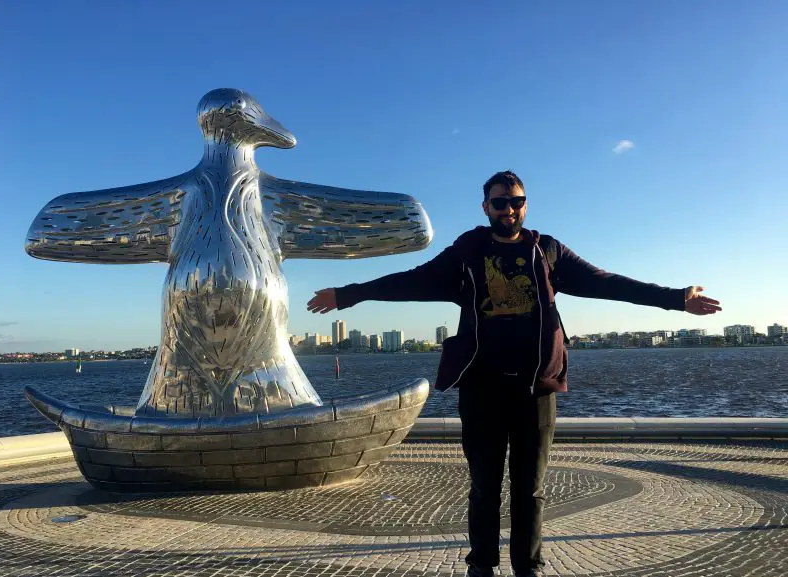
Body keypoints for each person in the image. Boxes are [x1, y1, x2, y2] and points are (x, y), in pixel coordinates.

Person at [306, 170, 721, 577]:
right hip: (482, 387)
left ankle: (529, 567)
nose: (509, 209)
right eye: (500, 202)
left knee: (531, 489)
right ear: (486, 206)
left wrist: (675, 299)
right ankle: (481, 566)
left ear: (525, 205)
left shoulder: (548, 251)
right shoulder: (468, 251)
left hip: (536, 389)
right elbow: (412, 281)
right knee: (485, 486)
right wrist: (347, 295)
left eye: (516, 201)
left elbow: (606, 283)